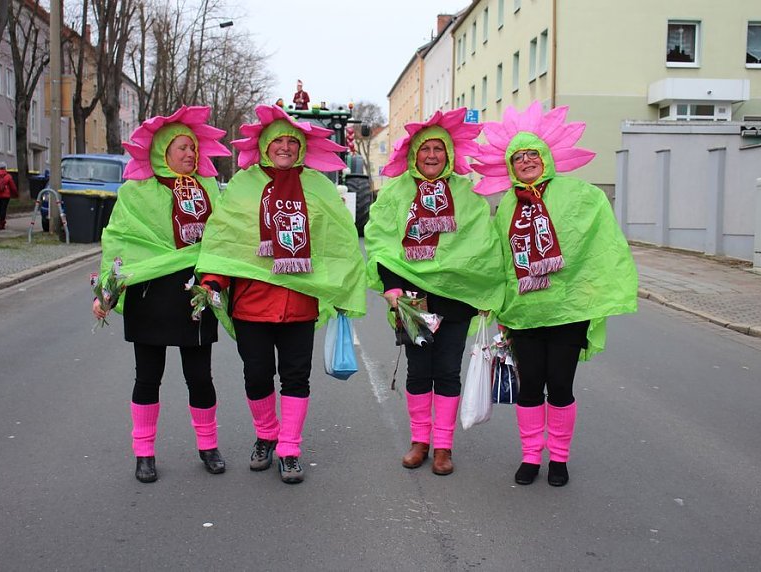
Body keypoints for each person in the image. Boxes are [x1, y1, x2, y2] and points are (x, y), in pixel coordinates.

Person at [197, 104, 366, 485]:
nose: (286, 147)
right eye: (279, 141)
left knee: (296, 377)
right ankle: (266, 434)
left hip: (299, 305)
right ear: (265, 146)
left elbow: (337, 242)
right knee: (256, 377)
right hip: (253, 304)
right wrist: (211, 282)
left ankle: (289, 449)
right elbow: (227, 240)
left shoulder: (319, 188)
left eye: (293, 141)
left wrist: (342, 285)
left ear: (302, 148)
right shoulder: (243, 186)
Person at [472, 102, 638, 487]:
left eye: (532, 155)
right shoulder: (507, 205)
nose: (526, 162)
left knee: (560, 386)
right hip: (523, 313)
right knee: (530, 386)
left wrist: (589, 290)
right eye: (519, 157)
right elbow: (499, 258)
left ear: (545, 158)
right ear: (510, 167)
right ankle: (531, 456)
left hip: (567, 310)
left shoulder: (581, 195)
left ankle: (559, 458)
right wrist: (494, 304)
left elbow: (596, 244)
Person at [91, 105, 232, 484]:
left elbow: (223, 242)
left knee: (200, 377)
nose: (190, 154)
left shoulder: (209, 191)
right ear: (162, 152)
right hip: (149, 295)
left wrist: (215, 282)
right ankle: (144, 454)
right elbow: (119, 243)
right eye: (181, 147)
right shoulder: (136, 192)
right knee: (147, 377)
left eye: (193, 148)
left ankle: (208, 446)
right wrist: (106, 292)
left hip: (195, 293)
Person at [363, 108, 504, 476]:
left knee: (447, 371)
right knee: (418, 371)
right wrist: (392, 289)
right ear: (413, 153)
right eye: (425, 149)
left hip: (455, 298)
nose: (431, 155)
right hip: (412, 300)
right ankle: (419, 441)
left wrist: (484, 289)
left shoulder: (465, 192)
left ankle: (443, 447)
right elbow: (380, 241)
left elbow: (482, 242)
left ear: (449, 154)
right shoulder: (397, 193)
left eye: (438, 149)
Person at [0, 162, 17, 230]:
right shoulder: (8, 176)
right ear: (5, 168)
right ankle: (2, 222)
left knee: (0, 208)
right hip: (6, 196)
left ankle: (1, 221)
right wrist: (15, 194)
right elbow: (13, 187)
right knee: (4, 208)